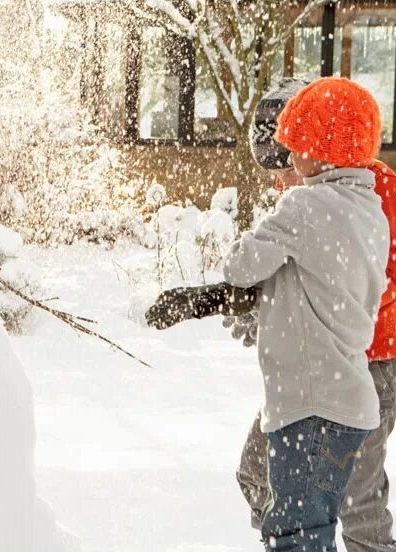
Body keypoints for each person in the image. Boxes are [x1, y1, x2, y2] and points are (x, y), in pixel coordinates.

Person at [149, 78, 396, 551]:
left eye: (285, 159)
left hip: (364, 366)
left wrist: (332, 312)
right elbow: (303, 273)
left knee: (355, 506)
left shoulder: (347, 196)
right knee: (263, 479)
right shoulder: (336, 197)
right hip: (322, 380)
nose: (277, 179)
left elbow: (327, 278)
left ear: (316, 150)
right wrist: (259, 306)